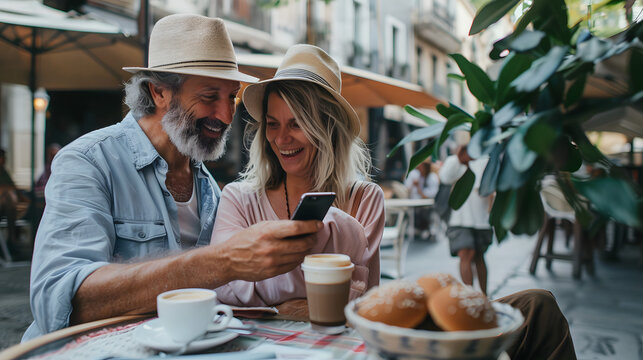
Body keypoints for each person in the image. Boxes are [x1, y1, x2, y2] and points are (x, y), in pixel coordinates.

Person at [23, 14, 323, 341]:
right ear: (159, 93)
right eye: (209, 96)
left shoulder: (208, 187)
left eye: (232, 97)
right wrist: (222, 262)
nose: (225, 115)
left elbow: (218, 297)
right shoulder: (88, 161)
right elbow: (56, 302)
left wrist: (281, 307)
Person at [211, 44, 384, 312]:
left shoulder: (366, 198)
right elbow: (224, 286)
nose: (281, 139)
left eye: (297, 123)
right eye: (272, 124)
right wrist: (302, 302)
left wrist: (263, 291)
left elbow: (360, 297)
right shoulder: (238, 199)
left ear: (326, 127)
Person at [439, 145, 492, 294]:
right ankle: (470, 295)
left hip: (481, 218)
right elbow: (445, 178)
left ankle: (484, 296)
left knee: (479, 256)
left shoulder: (486, 161)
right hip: (459, 218)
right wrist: (458, 158)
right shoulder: (455, 160)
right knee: (466, 255)